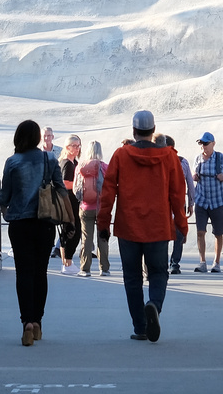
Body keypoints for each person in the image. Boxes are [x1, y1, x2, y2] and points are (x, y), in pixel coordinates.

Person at [97, 110, 187, 342]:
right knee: (158, 272)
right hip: (158, 227)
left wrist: (103, 225)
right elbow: (178, 194)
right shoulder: (169, 156)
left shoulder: (121, 155)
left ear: (134, 130)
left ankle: (140, 327)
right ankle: (154, 305)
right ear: (153, 129)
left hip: (128, 226)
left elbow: (108, 192)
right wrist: (182, 225)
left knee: (132, 277)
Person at [0, 119, 60, 346]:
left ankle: (27, 323)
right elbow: (60, 189)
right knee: (41, 272)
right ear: (37, 138)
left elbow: (5, 196)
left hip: (20, 224)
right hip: (45, 223)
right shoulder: (50, 159)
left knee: (23, 272)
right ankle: (39, 322)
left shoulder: (12, 162)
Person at [192, 132, 223, 273]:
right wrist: (194, 176)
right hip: (201, 200)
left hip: (217, 200)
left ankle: (216, 262)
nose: (203, 147)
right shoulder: (198, 159)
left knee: (218, 233)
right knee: (200, 231)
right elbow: (194, 173)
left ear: (213, 144)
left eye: (206, 143)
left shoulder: (221, 158)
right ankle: (202, 262)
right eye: (201, 144)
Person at [159, 134, 194, 274]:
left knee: (163, 235)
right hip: (179, 203)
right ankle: (175, 263)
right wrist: (191, 203)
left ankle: (162, 262)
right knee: (178, 235)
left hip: (162, 204)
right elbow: (190, 184)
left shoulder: (158, 161)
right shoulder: (183, 162)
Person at [73, 141, 108, 275]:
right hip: (101, 207)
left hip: (85, 207)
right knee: (102, 237)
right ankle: (104, 268)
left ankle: (85, 268)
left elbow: (76, 188)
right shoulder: (104, 166)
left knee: (86, 238)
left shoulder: (80, 167)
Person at [57, 135, 83, 274]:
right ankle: (68, 262)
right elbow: (65, 183)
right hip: (70, 201)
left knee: (67, 231)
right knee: (73, 230)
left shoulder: (69, 162)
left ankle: (66, 263)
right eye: (74, 145)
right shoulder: (67, 163)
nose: (77, 148)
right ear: (67, 147)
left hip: (68, 201)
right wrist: (80, 185)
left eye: (78, 145)